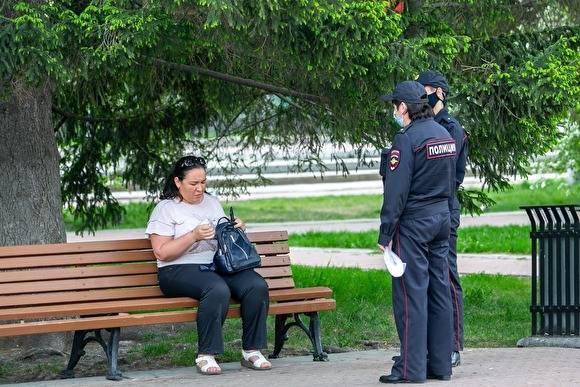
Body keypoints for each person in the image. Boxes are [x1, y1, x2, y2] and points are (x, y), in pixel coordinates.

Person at [146, 155, 272, 375]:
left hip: (216, 266)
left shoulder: (212, 203)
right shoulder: (166, 209)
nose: (199, 188)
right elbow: (162, 253)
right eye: (193, 183)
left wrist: (235, 227)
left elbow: (222, 238)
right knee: (216, 289)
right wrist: (193, 236)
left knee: (256, 285)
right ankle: (206, 354)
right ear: (178, 182)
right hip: (176, 270)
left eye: (203, 182)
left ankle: (251, 350)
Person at [377, 81, 455, 383]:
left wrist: (385, 234)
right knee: (439, 292)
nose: (393, 111)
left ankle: (410, 369)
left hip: (415, 224)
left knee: (411, 296)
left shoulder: (405, 140)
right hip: (441, 220)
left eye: (394, 106)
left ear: (403, 108)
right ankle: (440, 366)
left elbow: (395, 192)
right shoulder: (443, 134)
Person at [418, 70, 468, 367]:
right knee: (425, 279)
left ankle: (452, 345)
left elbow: (450, 175)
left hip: (444, 209)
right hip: (425, 212)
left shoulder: (450, 128)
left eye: (424, 89)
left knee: (447, 278)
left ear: (438, 92)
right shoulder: (423, 126)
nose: (420, 95)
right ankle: (431, 345)